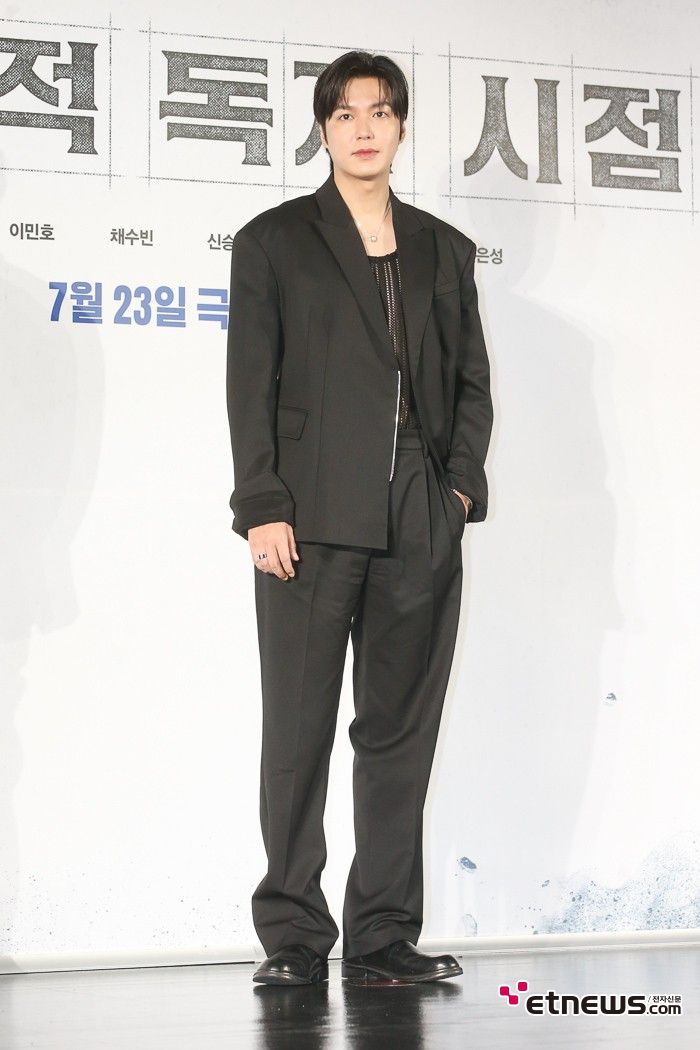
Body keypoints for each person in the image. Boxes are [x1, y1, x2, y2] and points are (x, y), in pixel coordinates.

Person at [226, 50, 493, 987]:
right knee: (296, 732)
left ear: (402, 126)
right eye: (345, 114)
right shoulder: (273, 241)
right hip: (308, 516)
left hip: (420, 515)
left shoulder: (443, 249)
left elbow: (470, 384)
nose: (364, 128)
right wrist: (262, 505)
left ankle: (382, 934)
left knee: (398, 735)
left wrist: (457, 494)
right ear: (324, 130)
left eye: (379, 111)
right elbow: (249, 386)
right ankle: (294, 936)